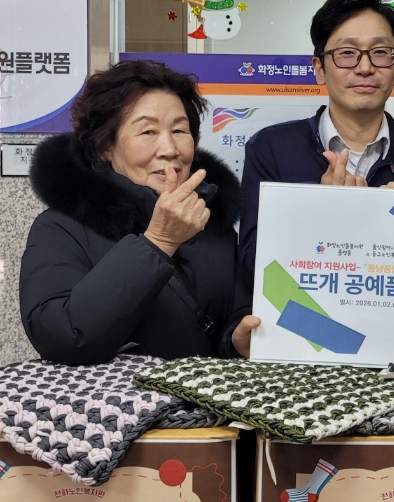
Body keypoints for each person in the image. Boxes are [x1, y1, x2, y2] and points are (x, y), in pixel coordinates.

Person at [20, 60, 259, 365]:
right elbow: (62, 336)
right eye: (148, 131)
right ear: (105, 147)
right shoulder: (60, 228)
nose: (169, 149)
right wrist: (158, 242)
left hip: (205, 396)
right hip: (118, 396)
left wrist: (235, 340)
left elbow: (233, 313)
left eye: (179, 130)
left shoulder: (211, 220)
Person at [239, 0, 394, 286]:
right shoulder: (271, 148)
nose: (365, 67)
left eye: (381, 52)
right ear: (319, 69)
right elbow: (252, 264)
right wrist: (321, 211)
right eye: (347, 53)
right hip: (307, 314)